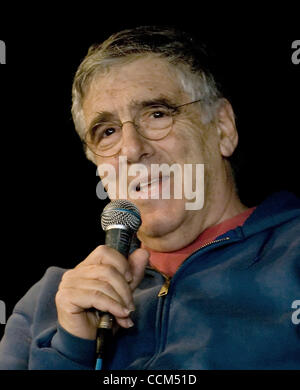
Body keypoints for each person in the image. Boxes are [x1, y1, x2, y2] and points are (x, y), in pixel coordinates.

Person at [0, 26, 299, 370]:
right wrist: (71, 348)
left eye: (157, 114)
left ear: (223, 128)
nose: (131, 149)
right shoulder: (46, 305)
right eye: (108, 132)